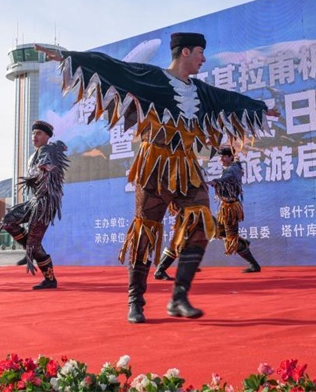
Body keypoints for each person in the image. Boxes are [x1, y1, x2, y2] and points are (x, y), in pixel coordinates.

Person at [37, 32, 277, 323]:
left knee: (201, 223)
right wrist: (68, 57)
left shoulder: (201, 91)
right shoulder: (151, 77)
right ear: (185, 52)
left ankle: (179, 297)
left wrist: (261, 109)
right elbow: (112, 67)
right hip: (154, 165)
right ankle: (135, 300)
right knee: (146, 230)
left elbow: (230, 100)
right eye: (200, 53)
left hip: (187, 167)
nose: (203, 59)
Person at [154, 145, 261, 280]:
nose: (221, 159)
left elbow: (223, 180)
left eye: (223, 156)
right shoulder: (180, 172)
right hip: (191, 213)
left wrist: (214, 182)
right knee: (188, 238)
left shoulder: (231, 169)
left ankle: (174, 267)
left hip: (210, 211)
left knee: (223, 235)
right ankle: (167, 268)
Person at [1, 120, 69, 290]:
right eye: (33, 133)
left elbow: (47, 168)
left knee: (35, 244)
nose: (34, 136)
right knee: (8, 221)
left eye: (38, 133)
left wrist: (42, 171)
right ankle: (29, 249)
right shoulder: (34, 154)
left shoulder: (47, 150)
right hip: (34, 201)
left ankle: (50, 279)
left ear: (47, 137)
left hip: (45, 203)